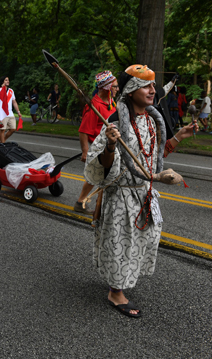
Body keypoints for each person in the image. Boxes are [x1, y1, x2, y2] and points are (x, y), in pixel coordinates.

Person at [84, 64, 197, 318]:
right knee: (122, 244)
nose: (151, 89)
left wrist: (179, 135)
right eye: (145, 85)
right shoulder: (114, 123)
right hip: (122, 195)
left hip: (144, 193)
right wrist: (111, 146)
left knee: (139, 242)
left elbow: (153, 158)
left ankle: (122, 280)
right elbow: (101, 165)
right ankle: (116, 293)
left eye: (152, 85)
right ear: (131, 90)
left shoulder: (151, 120)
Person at [74, 71, 117, 215]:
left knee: (105, 176)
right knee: (98, 175)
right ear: (107, 88)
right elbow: (83, 131)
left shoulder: (111, 103)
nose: (118, 89)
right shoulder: (94, 106)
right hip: (97, 147)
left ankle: (98, 204)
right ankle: (81, 202)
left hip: (110, 145)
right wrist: (86, 152)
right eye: (115, 87)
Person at [0, 76, 21, 143]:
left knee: (13, 128)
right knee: (3, 130)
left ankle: (3, 140)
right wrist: (3, 87)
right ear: (2, 82)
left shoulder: (11, 91)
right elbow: (0, 97)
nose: (8, 81)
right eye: (6, 80)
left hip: (10, 112)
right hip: (2, 113)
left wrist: (18, 111)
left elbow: (14, 102)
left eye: (8, 80)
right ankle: (3, 144)